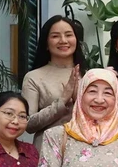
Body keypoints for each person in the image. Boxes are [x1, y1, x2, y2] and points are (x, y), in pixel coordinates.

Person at [22, 15, 87, 151]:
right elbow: (28, 124)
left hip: (85, 151)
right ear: (46, 43)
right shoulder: (33, 77)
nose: (63, 40)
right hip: (48, 151)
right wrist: (62, 101)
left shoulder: (88, 75)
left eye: (68, 35)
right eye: (55, 36)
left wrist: (77, 102)